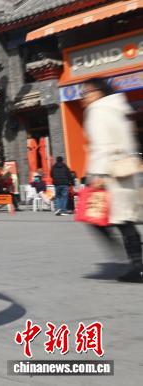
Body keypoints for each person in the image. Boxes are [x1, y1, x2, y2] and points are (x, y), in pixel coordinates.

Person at [82, 78, 142, 283]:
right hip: (125, 169)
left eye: (86, 93)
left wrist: (98, 174)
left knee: (99, 217)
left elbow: (102, 145)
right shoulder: (118, 108)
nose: (84, 98)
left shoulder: (97, 110)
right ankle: (136, 263)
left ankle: (135, 264)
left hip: (111, 173)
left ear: (99, 92)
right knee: (125, 220)